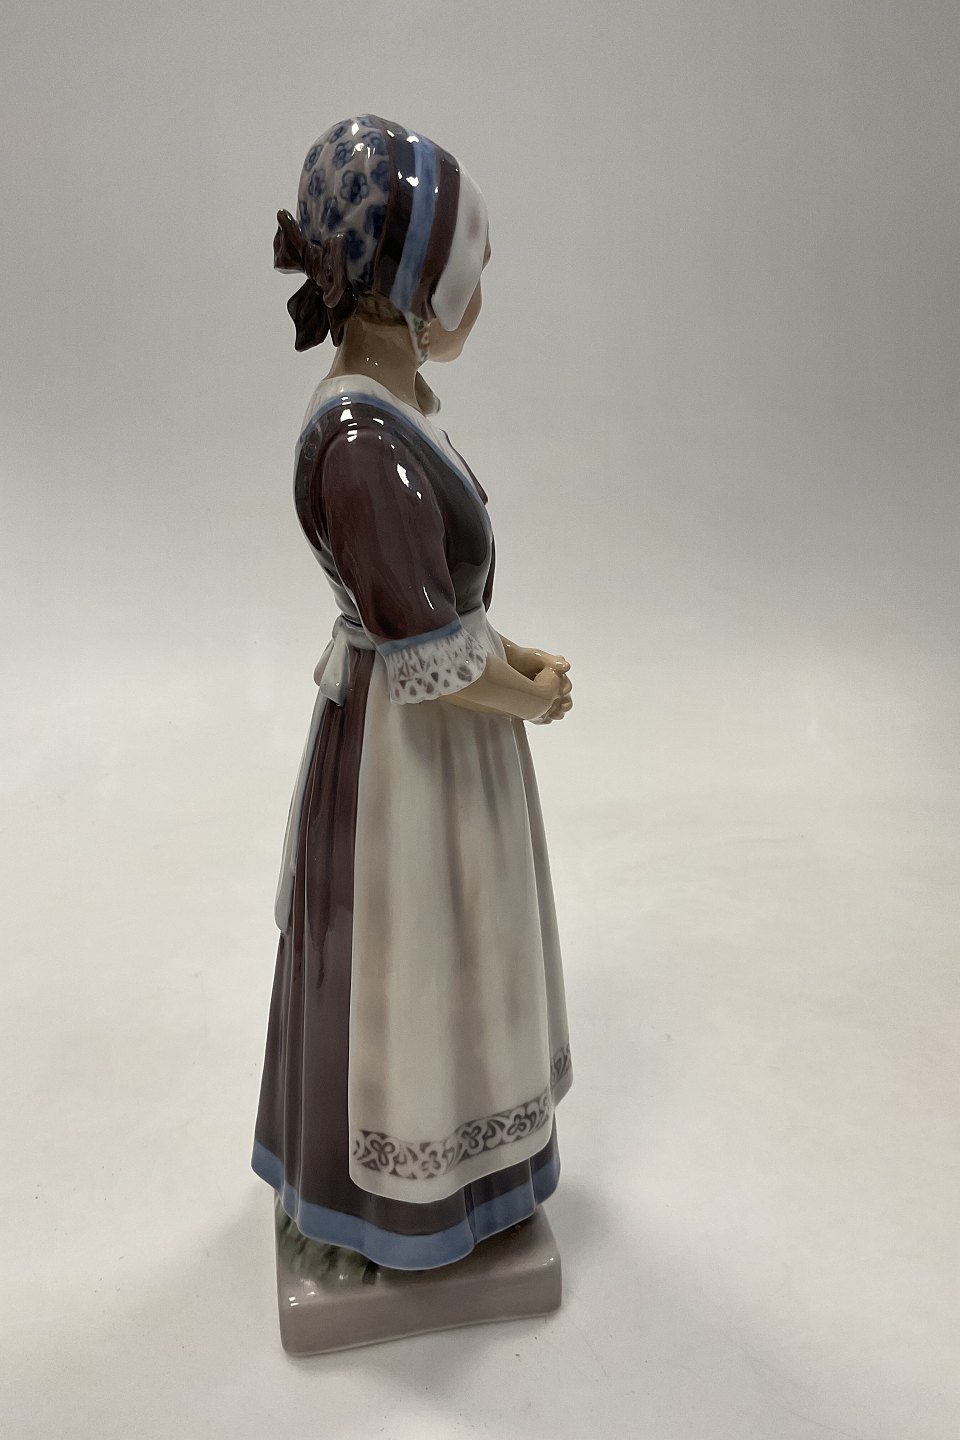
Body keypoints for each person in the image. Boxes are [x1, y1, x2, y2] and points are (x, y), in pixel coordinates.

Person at [252, 115, 574, 1270]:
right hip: (408, 757)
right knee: (406, 959)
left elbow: (441, 610)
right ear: (410, 289)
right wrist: (529, 696)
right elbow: (428, 651)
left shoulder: (392, 418)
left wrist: (515, 655)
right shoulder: (363, 445)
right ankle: (381, 1211)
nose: (477, 297)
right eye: (465, 273)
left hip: (430, 736)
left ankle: (472, 1181)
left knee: (456, 961)